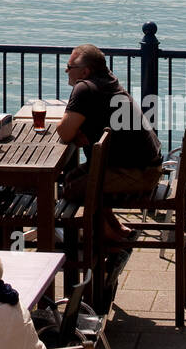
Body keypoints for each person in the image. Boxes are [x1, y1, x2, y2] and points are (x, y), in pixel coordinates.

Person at [56, 44, 163, 246]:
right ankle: (114, 227)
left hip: (138, 174)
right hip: (150, 166)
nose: (66, 70)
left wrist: (76, 131)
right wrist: (80, 131)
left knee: (73, 188)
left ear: (85, 71)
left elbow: (64, 131)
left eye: (69, 66)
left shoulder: (84, 88)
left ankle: (107, 239)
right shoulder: (108, 82)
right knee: (75, 176)